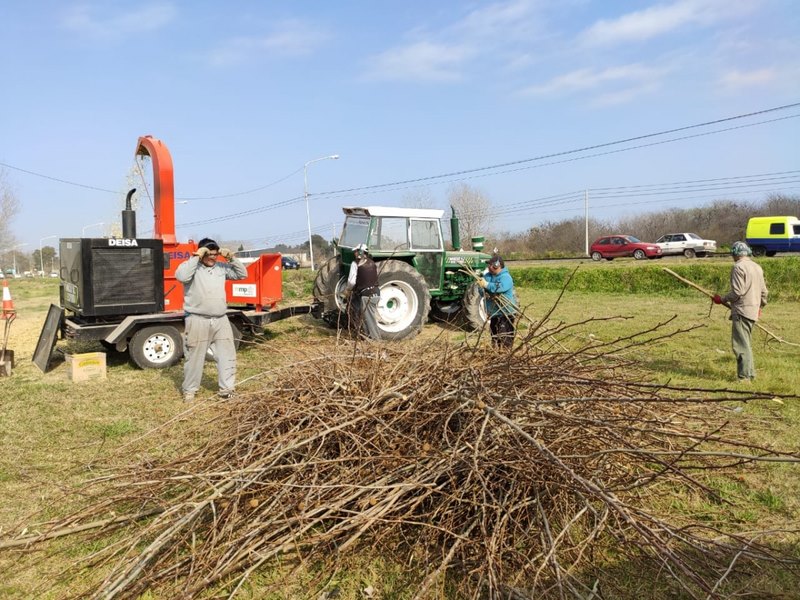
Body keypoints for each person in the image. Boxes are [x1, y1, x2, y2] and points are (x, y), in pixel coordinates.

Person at [175, 238, 247, 401]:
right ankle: (190, 391)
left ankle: (227, 390)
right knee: (194, 358)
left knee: (227, 356)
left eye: (215, 254)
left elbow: (242, 274)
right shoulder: (193, 268)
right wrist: (195, 257)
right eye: (208, 254)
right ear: (201, 254)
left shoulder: (221, 268)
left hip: (221, 320)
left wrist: (231, 258)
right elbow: (181, 276)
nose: (212, 257)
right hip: (197, 319)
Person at [713, 241, 768, 383]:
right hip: (753, 311)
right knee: (746, 343)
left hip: (742, 311)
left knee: (740, 345)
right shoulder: (757, 267)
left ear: (735, 254)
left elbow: (738, 292)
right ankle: (750, 374)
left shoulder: (738, 267)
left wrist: (722, 299)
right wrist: (760, 307)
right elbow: (764, 292)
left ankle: (744, 378)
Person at [478, 254, 518, 348]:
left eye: (491, 265)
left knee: (505, 337)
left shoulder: (506, 277)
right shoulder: (488, 276)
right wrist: (483, 291)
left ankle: (505, 356)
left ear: (497, 265)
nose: (489, 267)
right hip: (494, 313)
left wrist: (487, 285)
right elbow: (481, 288)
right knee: (494, 336)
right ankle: (496, 354)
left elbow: (499, 287)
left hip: (505, 313)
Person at [344, 243, 382, 340]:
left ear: (360, 252)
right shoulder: (372, 263)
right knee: (368, 317)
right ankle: (366, 338)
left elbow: (351, 281)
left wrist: (347, 290)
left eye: (356, 251)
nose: (355, 254)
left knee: (369, 320)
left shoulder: (355, 263)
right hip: (377, 293)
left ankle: (376, 342)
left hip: (366, 296)